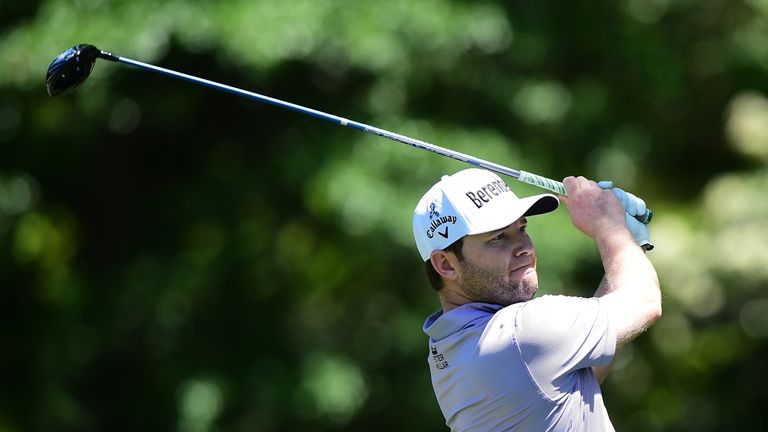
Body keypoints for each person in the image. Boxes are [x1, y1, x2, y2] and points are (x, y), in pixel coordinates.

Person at [413, 168, 661, 431]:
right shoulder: (522, 334)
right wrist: (607, 224)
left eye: (522, 228)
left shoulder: (446, 346)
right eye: (498, 237)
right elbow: (644, 302)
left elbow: (576, 375)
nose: (525, 247)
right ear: (445, 264)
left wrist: (628, 241)